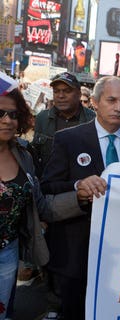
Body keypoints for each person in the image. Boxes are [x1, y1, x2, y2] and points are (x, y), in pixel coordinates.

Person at [40, 76, 120, 320]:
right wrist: (78, 186)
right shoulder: (69, 139)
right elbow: (47, 187)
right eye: (111, 100)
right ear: (94, 102)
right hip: (77, 251)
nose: (119, 107)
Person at [0, 83, 49, 320]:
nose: (8, 120)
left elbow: (41, 205)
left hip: (7, 253)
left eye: (13, 114)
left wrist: (81, 194)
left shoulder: (24, 155)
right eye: (0, 113)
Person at [31, 72, 95, 177]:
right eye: (56, 91)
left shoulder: (92, 120)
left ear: (79, 94)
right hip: (48, 186)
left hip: (79, 187)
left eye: (67, 91)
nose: (61, 96)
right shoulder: (42, 118)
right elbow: (35, 155)